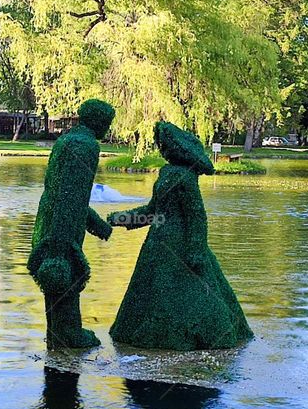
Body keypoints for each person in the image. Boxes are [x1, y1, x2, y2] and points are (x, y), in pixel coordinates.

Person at [107, 121, 253, 351]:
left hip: (178, 243)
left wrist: (196, 249)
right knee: (158, 289)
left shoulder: (184, 178)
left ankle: (191, 334)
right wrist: (122, 218)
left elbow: (197, 216)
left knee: (183, 290)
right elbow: (152, 211)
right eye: (160, 146)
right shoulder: (168, 174)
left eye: (164, 146)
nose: (161, 150)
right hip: (159, 242)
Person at [28, 99, 114, 349]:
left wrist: (97, 225)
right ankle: (69, 333)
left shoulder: (66, 140)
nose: (107, 129)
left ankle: (56, 331)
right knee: (64, 272)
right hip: (61, 228)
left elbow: (66, 194)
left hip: (46, 221)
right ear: (99, 123)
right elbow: (71, 199)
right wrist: (62, 244)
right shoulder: (86, 146)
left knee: (55, 278)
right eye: (107, 124)